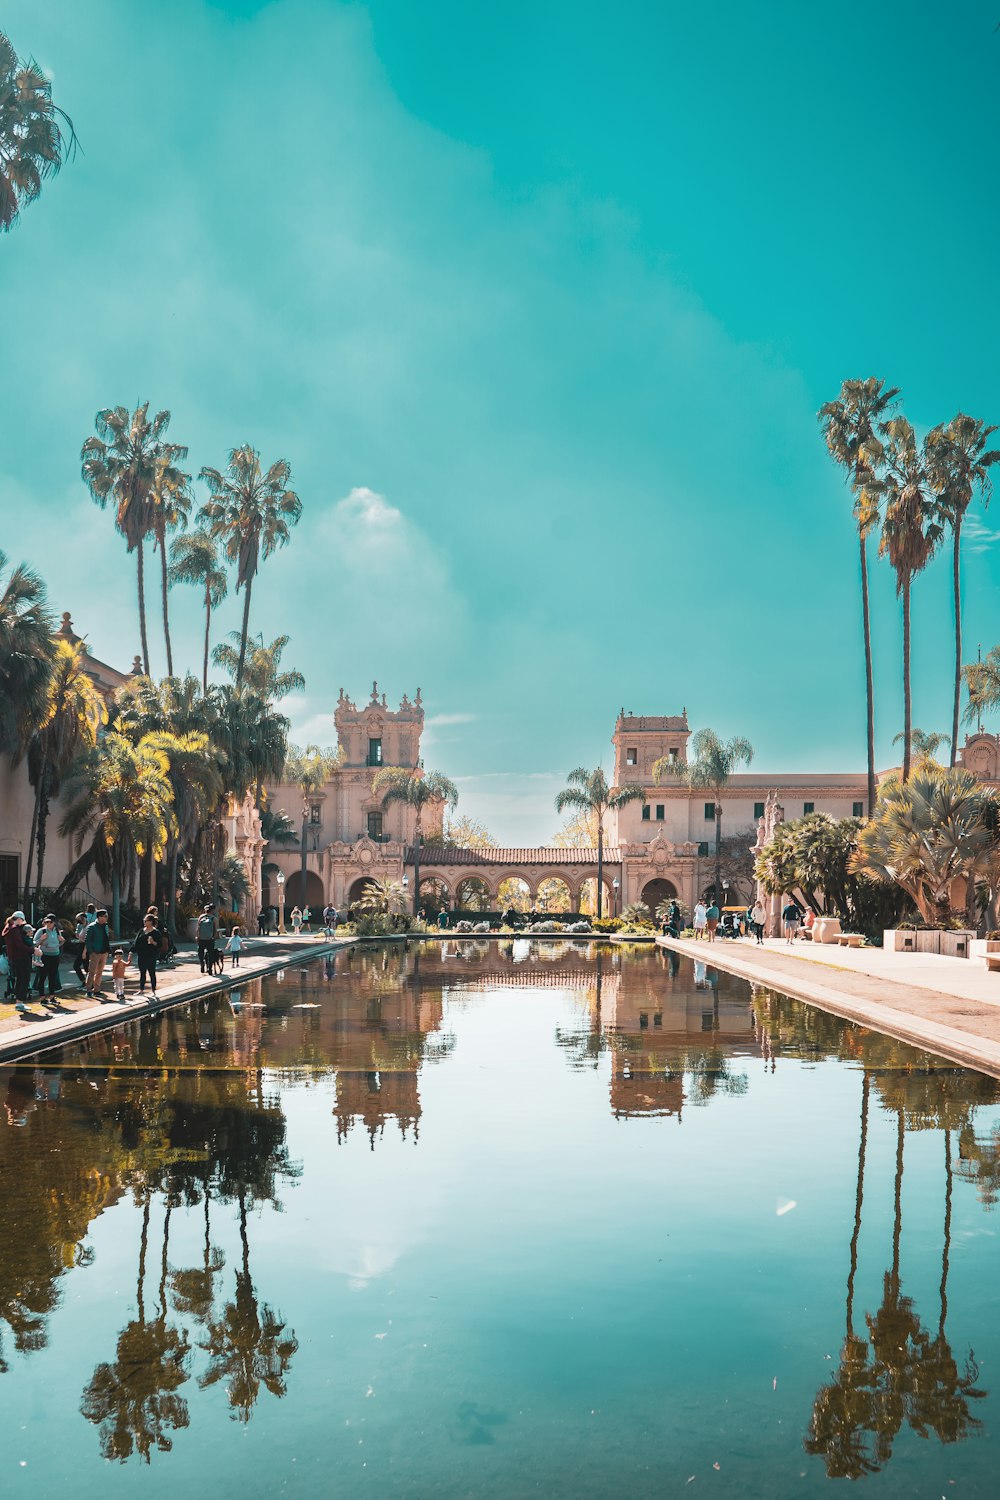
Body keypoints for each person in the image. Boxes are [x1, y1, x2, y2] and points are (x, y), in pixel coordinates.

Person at [3, 911, 36, 1009]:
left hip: (13, 958)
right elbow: (20, 945)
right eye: (22, 921)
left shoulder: (7, 928)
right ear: (18, 919)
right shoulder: (15, 930)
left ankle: (19, 1001)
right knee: (24, 979)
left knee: (19, 979)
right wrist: (33, 950)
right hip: (21, 957)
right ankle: (20, 1002)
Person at [33, 913, 64, 1001]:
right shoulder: (41, 931)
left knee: (52, 977)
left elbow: (61, 942)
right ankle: (42, 997)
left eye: (50, 922)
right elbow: (34, 943)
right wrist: (41, 939)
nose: (48, 924)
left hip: (55, 956)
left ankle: (52, 996)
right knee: (42, 976)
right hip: (45, 956)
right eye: (46, 921)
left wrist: (62, 941)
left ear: (54, 922)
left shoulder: (57, 931)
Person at [84, 909, 111, 997]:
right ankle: (88, 989)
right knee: (92, 971)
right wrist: (91, 952)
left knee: (100, 971)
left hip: (104, 951)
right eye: (105, 916)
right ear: (99, 917)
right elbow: (87, 940)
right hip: (95, 952)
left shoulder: (105, 926)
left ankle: (97, 989)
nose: (106, 918)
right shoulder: (92, 926)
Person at [131, 915, 161, 995]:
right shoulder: (142, 931)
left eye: (146, 921)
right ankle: (141, 989)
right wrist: (131, 951)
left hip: (151, 955)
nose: (144, 922)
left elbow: (160, 944)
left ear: (150, 922)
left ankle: (153, 990)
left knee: (151, 972)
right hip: (141, 955)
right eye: (144, 921)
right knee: (142, 973)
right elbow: (136, 942)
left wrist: (153, 942)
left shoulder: (156, 932)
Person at [196, 904, 217, 973]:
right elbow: (215, 930)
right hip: (210, 939)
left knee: (200, 952)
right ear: (213, 910)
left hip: (201, 938)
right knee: (210, 954)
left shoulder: (201, 917)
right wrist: (214, 937)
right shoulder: (214, 919)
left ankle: (202, 964)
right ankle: (209, 969)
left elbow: (198, 928)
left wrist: (197, 936)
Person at [72, 912, 89, 983]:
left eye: (79, 919)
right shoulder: (80, 926)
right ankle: (87, 982)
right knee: (85, 967)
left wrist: (84, 952)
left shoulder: (88, 927)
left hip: (85, 947)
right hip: (81, 945)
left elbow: (88, 941)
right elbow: (77, 935)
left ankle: (88, 983)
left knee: (80, 966)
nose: (78, 921)